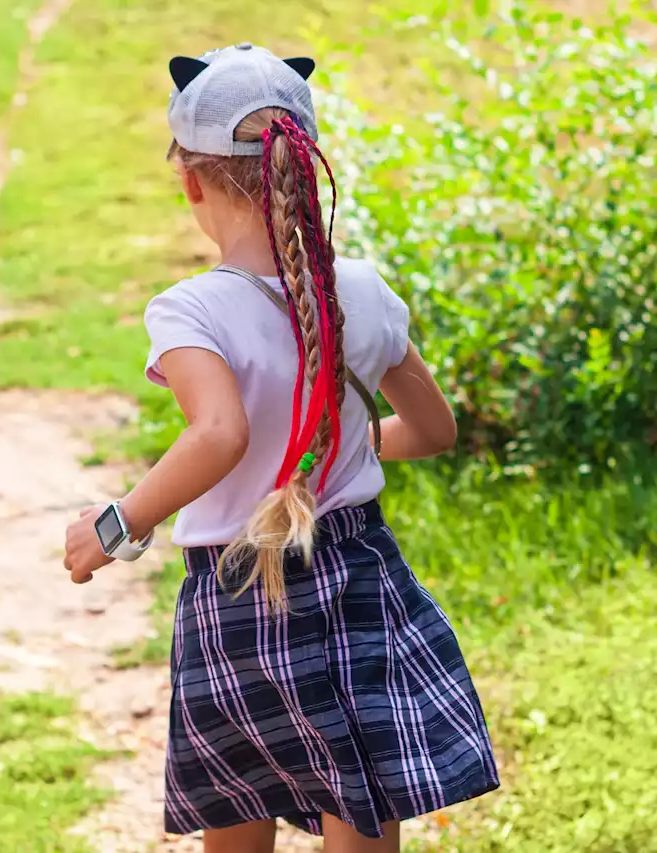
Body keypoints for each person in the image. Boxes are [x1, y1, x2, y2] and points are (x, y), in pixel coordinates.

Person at [62, 43, 499, 853]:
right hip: (355, 582)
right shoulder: (363, 289)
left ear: (190, 179)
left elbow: (221, 433)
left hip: (234, 599)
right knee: (359, 805)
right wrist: (333, 448)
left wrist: (116, 524)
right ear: (305, 163)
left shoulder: (190, 311)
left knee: (236, 814)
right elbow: (435, 430)